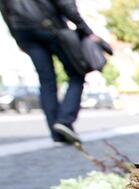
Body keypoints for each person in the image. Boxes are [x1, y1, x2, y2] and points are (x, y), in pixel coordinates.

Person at [0, 0, 99, 144]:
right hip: (50, 26)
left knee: (46, 81)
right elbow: (65, 4)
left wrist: (18, 39)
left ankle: (57, 133)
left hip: (24, 31)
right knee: (76, 73)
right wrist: (86, 30)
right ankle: (65, 121)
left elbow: (5, 9)